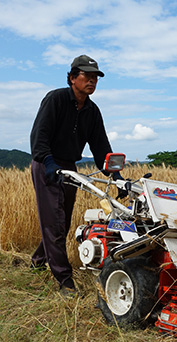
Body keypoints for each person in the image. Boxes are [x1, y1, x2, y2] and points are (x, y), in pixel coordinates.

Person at [29, 55, 117, 297]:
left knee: (62, 222)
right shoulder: (55, 99)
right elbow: (39, 137)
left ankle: (37, 261)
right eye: (86, 76)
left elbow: (101, 148)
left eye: (95, 78)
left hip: (69, 167)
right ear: (71, 78)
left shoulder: (92, 110)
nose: (91, 81)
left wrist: (116, 176)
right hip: (46, 163)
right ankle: (64, 281)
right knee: (54, 222)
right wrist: (48, 163)